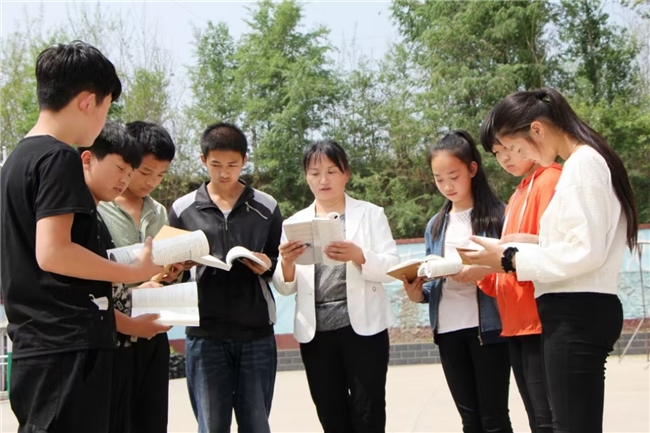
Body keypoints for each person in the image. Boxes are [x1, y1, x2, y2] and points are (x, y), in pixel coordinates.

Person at [0, 41, 161, 433]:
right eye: (107, 108)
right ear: (89, 102)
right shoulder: (59, 158)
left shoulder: (15, 162)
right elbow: (53, 252)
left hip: (37, 344)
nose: (104, 121)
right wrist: (133, 271)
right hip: (67, 347)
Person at [461, 87, 638, 433]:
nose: (517, 156)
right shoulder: (582, 162)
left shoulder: (583, 164)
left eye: (516, 147)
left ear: (538, 130)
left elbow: (585, 251)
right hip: (575, 308)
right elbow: (577, 243)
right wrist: (519, 248)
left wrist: (510, 259)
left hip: (577, 310)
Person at [273, 140, 400, 433]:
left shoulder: (371, 214)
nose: (324, 180)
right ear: (306, 177)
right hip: (316, 333)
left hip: (364, 329)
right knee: (331, 415)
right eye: (315, 173)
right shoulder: (295, 224)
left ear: (346, 174)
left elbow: (392, 268)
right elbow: (284, 286)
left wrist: (359, 255)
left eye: (332, 171)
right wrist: (288, 262)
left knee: (368, 414)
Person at [169, 122, 283, 433]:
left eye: (232, 165)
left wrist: (267, 264)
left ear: (245, 160)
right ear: (203, 160)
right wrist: (177, 267)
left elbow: (279, 261)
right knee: (211, 426)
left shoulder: (266, 206)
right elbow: (170, 269)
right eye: (216, 164)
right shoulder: (183, 209)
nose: (224, 173)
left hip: (256, 331)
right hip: (205, 333)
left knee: (256, 424)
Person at [402, 130, 513, 433]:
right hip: (448, 330)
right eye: (439, 179)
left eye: (454, 176)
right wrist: (417, 293)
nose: (447, 186)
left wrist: (484, 271)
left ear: (472, 169)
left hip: (488, 329)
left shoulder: (499, 216)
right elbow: (431, 283)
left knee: (494, 419)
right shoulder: (435, 226)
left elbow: (516, 269)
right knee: (470, 421)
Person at [83, 121, 172, 433]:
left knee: (152, 419)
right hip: (112, 331)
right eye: (145, 172)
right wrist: (134, 279)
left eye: (161, 176)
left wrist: (166, 274)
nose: (151, 182)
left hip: (151, 329)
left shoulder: (159, 212)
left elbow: (158, 265)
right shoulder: (97, 207)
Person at [475, 133, 561, 433]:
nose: (505, 158)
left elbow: (556, 248)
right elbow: (507, 264)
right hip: (514, 322)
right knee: (537, 417)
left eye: (510, 149)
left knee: (548, 418)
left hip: (539, 319)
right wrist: (480, 270)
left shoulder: (550, 180)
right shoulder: (517, 193)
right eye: (498, 153)